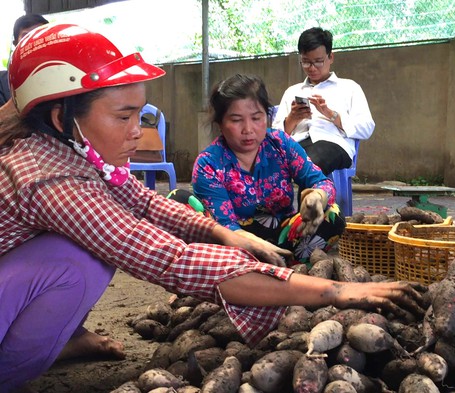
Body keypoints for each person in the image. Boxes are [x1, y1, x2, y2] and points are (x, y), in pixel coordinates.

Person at [0, 23, 423, 392]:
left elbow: (143, 201)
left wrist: (226, 234)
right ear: (61, 117)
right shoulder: (48, 177)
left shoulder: (68, 149)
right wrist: (336, 291)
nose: (136, 133)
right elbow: (171, 259)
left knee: (89, 246)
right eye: (123, 117)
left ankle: (61, 337)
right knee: (77, 260)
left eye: (140, 117)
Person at [192, 74, 346, 265]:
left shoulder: (281, 145)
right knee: (183, 204)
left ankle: (288, 265)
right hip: (234, 246)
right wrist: (255, 245)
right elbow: (223, 225)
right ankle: (253, 269)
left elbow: (321, 181)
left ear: (267, 116)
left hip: (282, 240)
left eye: (257, 118)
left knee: (333, 215)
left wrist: (318, 196)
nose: (248, 129)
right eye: (236, 120)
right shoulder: (208, 164)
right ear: (220, 123)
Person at [272, 27, 374, 175]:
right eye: (306, 62)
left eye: (318, 62)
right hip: (298, 144)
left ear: (330, 57)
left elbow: (366, 129)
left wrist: (331, 115)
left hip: (334, 144)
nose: (312, 68)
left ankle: (312, 195)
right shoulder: (292, 92)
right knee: (268, 160)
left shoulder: (350, 88)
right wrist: (292, 119)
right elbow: (276, 137)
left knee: (311, 162)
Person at [0, 14, 49, 106]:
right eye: (26, 37)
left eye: (40, 35)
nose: (34, 42)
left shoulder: (69, 75)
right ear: (16, 44)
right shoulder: (1, 82)